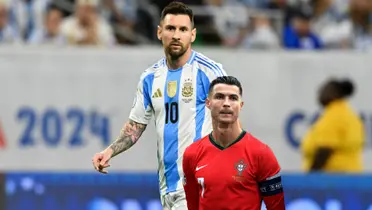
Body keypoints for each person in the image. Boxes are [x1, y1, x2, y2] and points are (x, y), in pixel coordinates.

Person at [91, 2, 227, 210]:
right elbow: (136, 126)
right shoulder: (150, 78)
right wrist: (110, 151)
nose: (176, 35)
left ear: (192, 35)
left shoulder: (210, 72)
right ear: (159, 32)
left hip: (200, 184)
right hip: (167, 186)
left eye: (183, 29)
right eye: (171, 28)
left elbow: (231, 120)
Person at [182, 76, 285, 210]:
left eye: (233, 98)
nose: (226, 103)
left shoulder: (261, 154)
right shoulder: (192, 154)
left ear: (240, 105)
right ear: (208, 103)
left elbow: (277, 207)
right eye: (219, 97)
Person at [301, 78, 365, 173]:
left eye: (324, 89)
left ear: (334, 92)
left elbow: (324, 150)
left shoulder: (334, 115)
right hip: (351, 178)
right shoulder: (349, 114)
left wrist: (310, 178)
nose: (320, 92)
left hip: (333, 180)